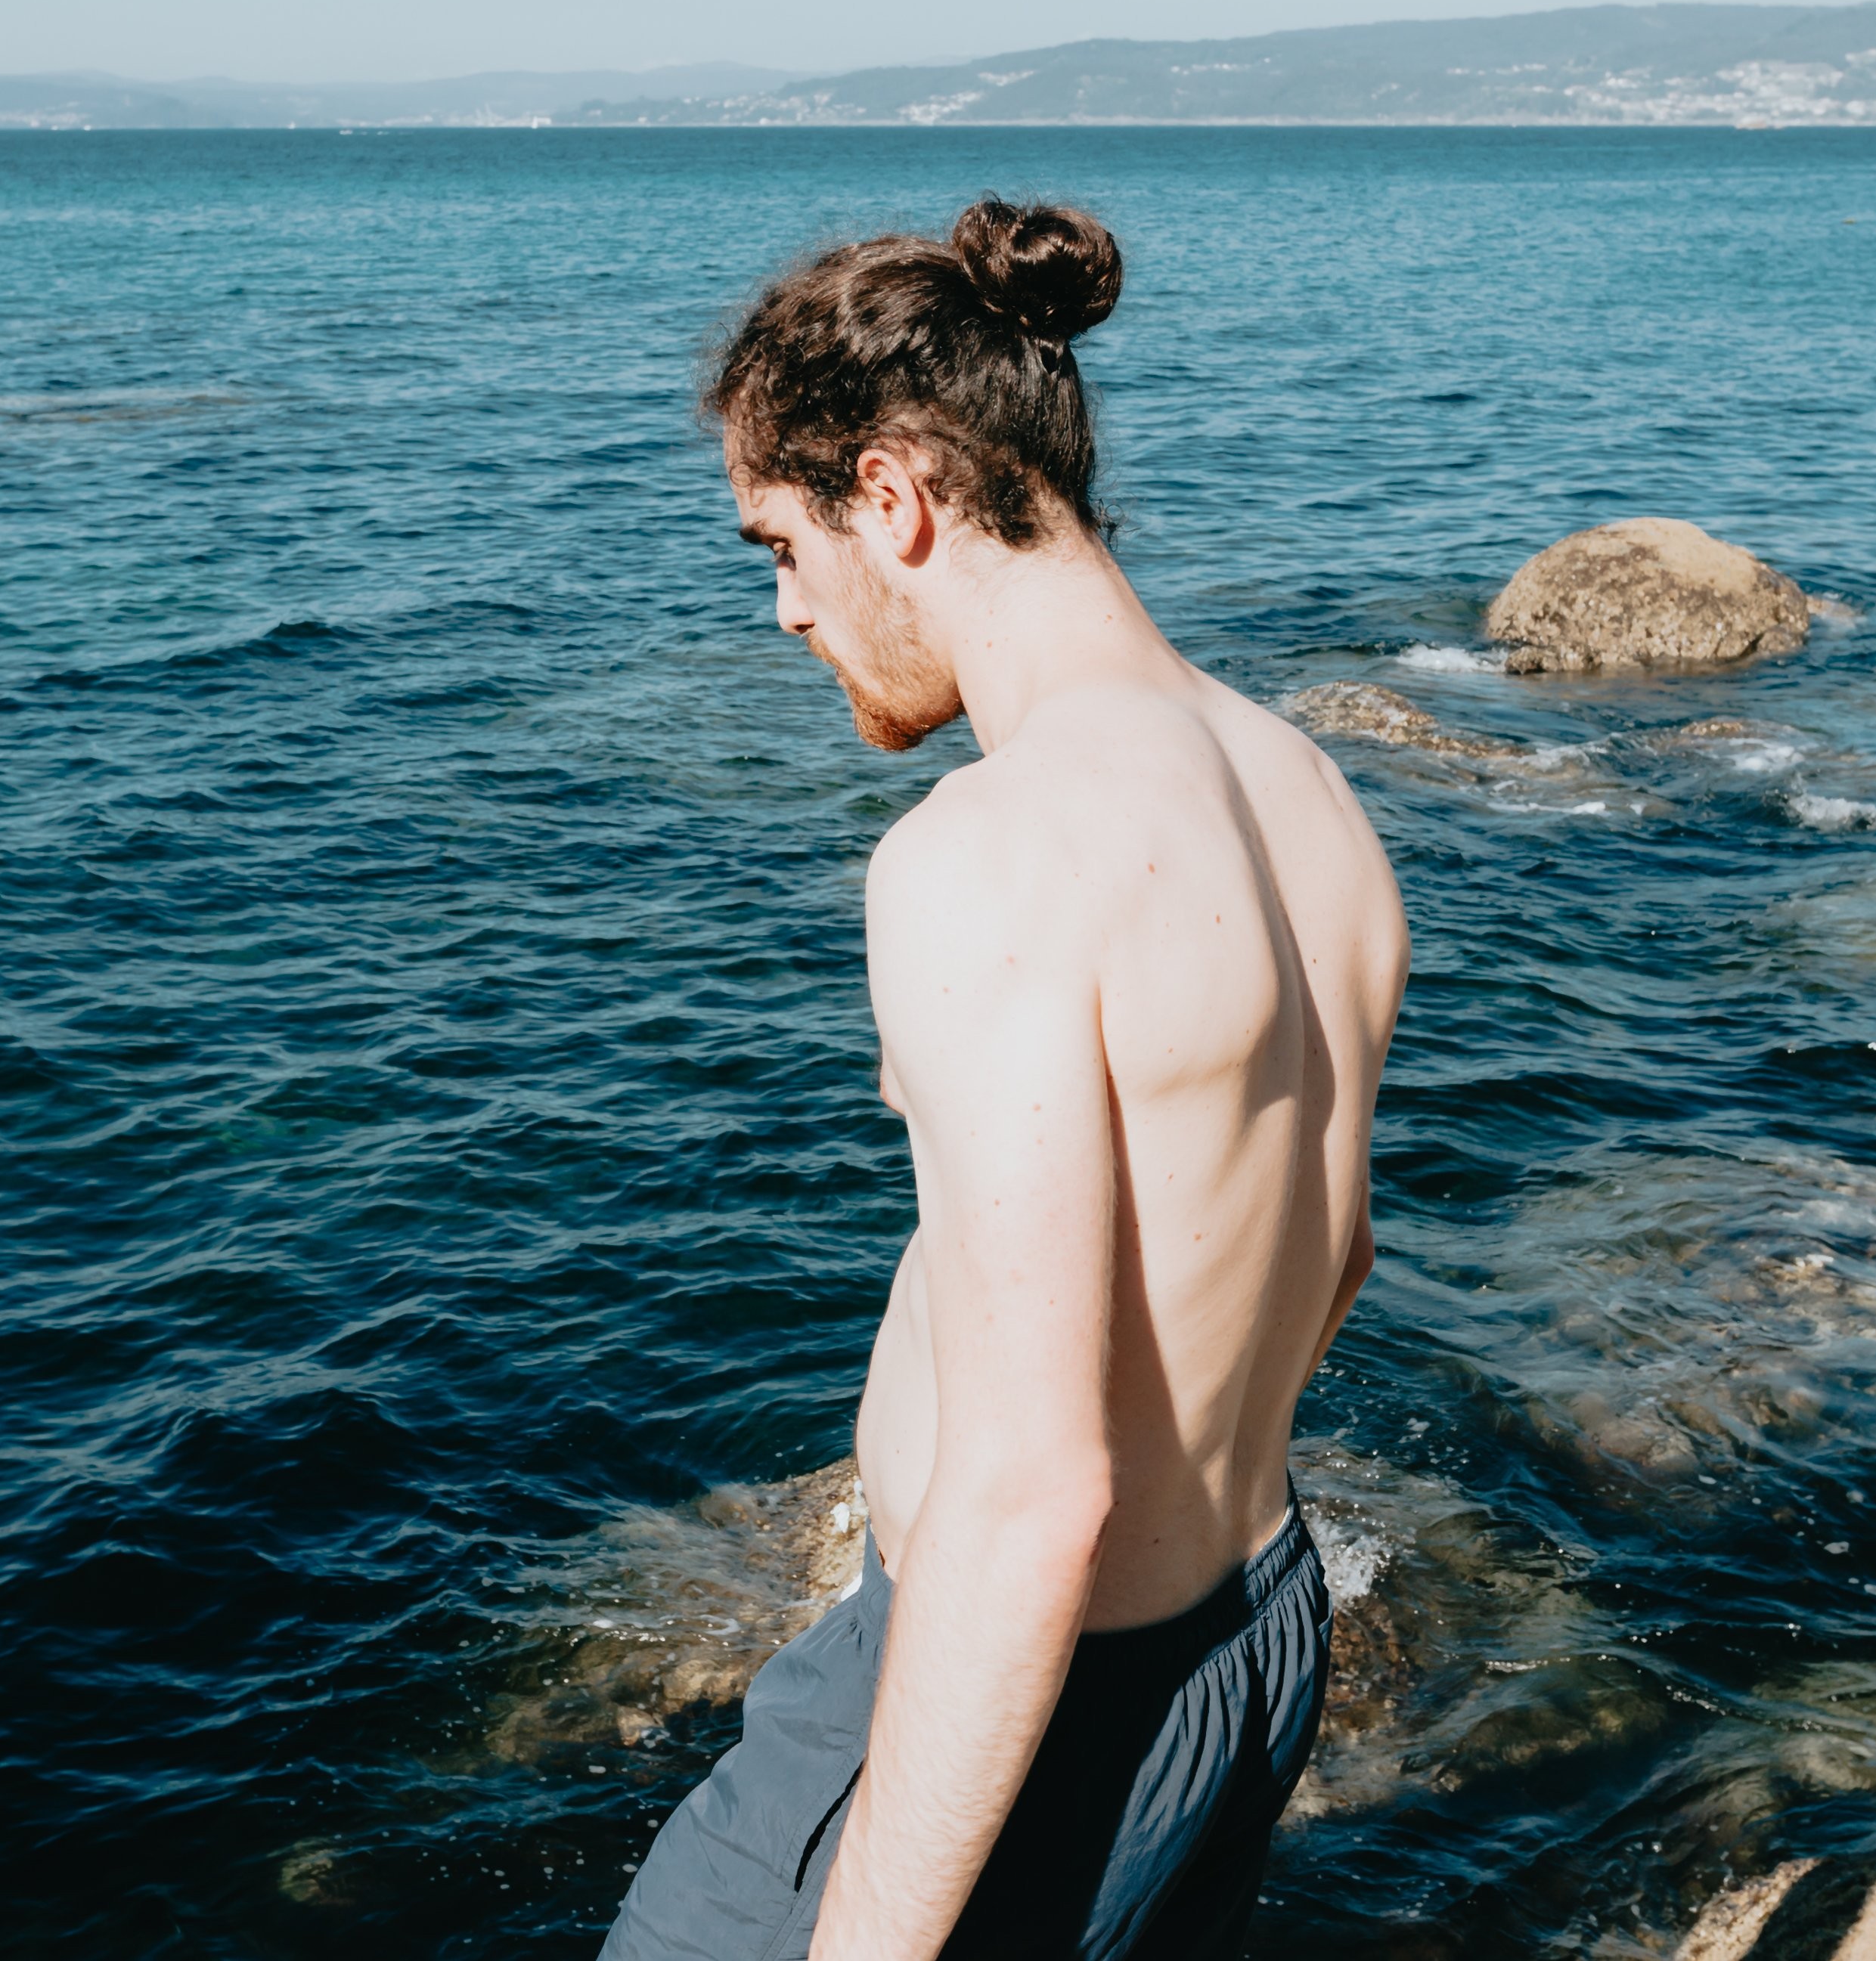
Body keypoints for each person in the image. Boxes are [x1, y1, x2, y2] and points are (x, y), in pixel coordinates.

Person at [600, 200, 1409, 1961]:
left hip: (1028, 1706)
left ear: (889, 499)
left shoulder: (987, 852)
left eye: (778, 546)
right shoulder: (1301, 794)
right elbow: (1327, 1262)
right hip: (1250, 1635)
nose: (785, 613)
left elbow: (1033, 1491)